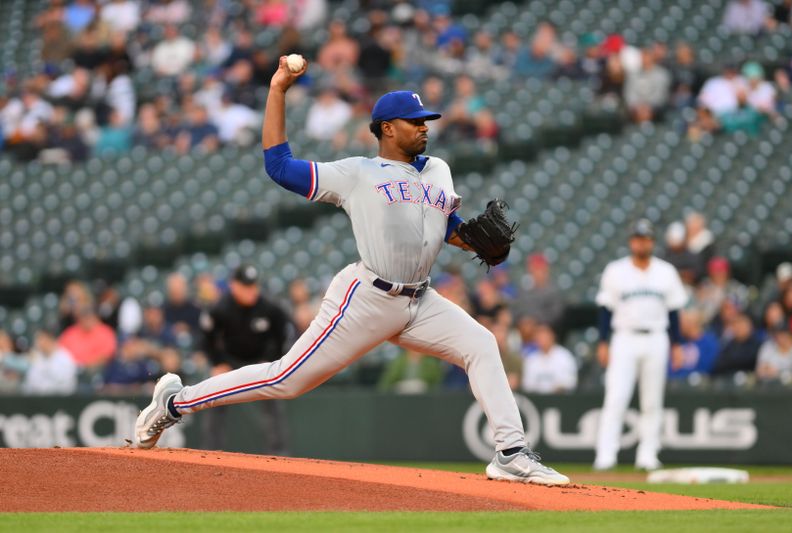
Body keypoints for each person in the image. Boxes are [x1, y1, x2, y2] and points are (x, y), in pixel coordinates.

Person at [135, 56, 570, 486]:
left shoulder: (439, 170)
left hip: (420, 300)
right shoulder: (357, 173)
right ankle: (175, 403)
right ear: (386, 128)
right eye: (414, 120)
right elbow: (279, 167)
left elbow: (444, 225)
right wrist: (277, 91)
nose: (424, 126)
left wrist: (472, 241)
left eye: (426, 120)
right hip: (367, 298)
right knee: (286, 379)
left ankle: (511, 453)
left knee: (481, 344)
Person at [594, 220, 688, 471]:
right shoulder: (616, 270)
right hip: (623, 337)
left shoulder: (666, 271)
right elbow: (605, 309)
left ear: (652, 242)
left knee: (652, 401)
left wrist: (677, 345)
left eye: (645, 238)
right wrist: (603, 342)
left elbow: (674, 312)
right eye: (637, 238)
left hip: (657, 336)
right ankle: (606, 454)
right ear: (631, 241)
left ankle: (648, 454)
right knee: (616, 397)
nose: (641, 242)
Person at [197, 265, 292, 454]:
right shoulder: (220, 309)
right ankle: (211, 451)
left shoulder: (270, 309)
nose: (251, 290)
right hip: (230, 361)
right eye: (246, 286)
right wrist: (217, 363)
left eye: (254, 285)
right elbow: (206, 339)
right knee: (214, 397)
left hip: (260, 362)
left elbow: (283, 336)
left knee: (273, 403)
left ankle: (280, 454)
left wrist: (272, 361)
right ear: (234, 286)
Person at [520, 324, 578, 394]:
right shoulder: (531, 359)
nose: (541, 339)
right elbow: (527, 385)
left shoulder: (565, 356)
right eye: (539, 337)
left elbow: (571, 382)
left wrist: (557, 388)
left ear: (552, 336)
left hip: (560, 398)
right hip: (537, 399)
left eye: (544, 336)